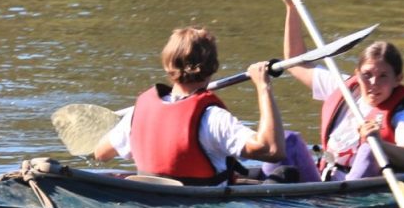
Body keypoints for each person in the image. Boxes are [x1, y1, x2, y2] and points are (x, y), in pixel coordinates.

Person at [270, 0, 404, 181]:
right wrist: (291, 7)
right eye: (367, 75)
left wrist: (379, 143)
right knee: (287, 139)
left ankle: (339, 206)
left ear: (398, 79)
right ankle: (269, 196)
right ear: (357, 73)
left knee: (369, 149)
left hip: (357, 191)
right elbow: (295, 62)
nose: (373, 83)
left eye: (383, 76)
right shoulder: (344, 87)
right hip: (322, 180)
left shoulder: (402, 113)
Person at [95, 25, 285, 184]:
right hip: (203, 204)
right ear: (213, 67)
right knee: (285, 173)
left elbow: (101, 153)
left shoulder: (139, 112)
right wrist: (263, 86)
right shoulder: (212, 118)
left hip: (154, 198)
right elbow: (272, 150)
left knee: (251, 175)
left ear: (167, 65)